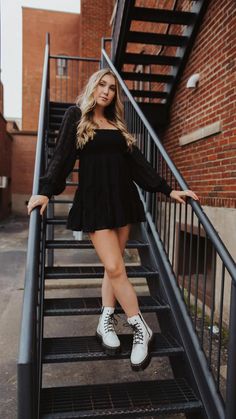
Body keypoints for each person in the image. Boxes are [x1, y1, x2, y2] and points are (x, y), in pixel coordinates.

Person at [27, 68, 199, 371]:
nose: (107, 91)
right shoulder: (75, 116)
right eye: (102, 85)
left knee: (113, 266)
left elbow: (138, 165)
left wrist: (168, 190)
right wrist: (45, 191)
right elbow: (61, 158)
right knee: (114, 266)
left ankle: (105, 321)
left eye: (112, 88)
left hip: (122, 199)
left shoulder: (118, 126)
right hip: (95, 201)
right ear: (93, 86)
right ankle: (140, 328)